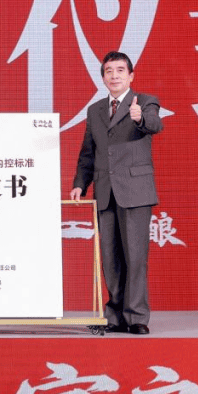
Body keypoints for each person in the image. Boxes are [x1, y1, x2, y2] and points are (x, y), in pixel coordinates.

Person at [70, 51, 163, 335]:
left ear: (131, 76)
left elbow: (155, 125)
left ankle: (136, 317)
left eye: (120, 70)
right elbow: (89, 151)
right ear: (103, 78)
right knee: (110, 258)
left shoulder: (144, 102)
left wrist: (139, 118)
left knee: (135, 257)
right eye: (109, 71)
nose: (114, 76)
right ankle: (114, 316)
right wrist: (80, 183)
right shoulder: (95, 110)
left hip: (135, 191)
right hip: (105, 190)